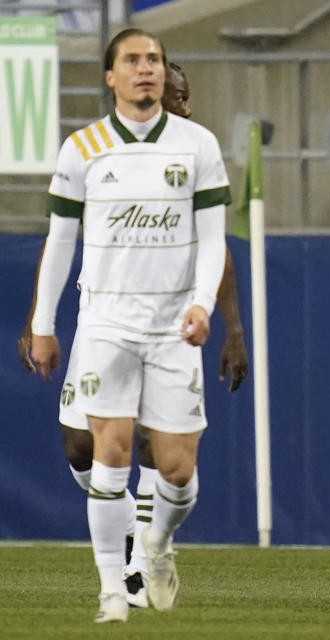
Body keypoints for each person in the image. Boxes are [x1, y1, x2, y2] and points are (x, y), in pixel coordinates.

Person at [18, 61, 247, 610]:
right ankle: (123, 530)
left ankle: (144, 563)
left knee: (153, 445)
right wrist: (37, 319)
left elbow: (218, 250)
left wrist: (232, 327)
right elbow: (60, 240)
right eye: (174, 91)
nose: (181, 101)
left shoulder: (193, 158)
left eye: (185, 93)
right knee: (80, 444)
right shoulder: (96, 153)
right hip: (104, 320)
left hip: (171, 325)